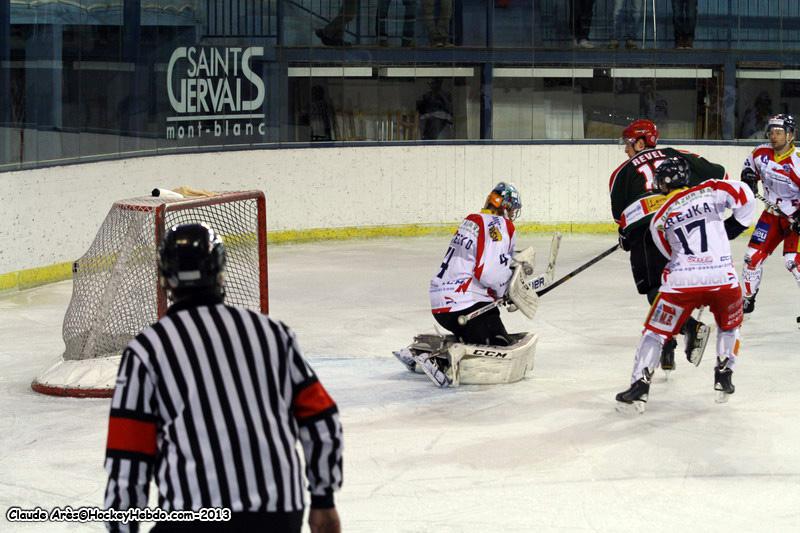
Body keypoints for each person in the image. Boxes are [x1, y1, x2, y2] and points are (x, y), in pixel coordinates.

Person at [103, 223, 343, 533]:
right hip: (279, 511)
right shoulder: (272, 334)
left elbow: (128, 456)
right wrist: (323, 499)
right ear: (220, 273)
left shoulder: (147, 351)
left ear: (165, 280)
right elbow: (321, 419)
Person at [616, 157, 756, 413]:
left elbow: (668, 251)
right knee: (729, 327)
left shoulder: (659, 218)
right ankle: (724, 375)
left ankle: (640, 386)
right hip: (723, 279)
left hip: (682, 282)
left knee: (654, 333)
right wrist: (733, 227)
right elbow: (745, 194)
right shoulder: (711, 189)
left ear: (662, 184)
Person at [609, 118, 728, 373]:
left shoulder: (622, 172)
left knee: (654, 288)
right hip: (679, 223)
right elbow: (720, 173)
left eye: (629, 143)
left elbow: (620, 215)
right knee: (671, 284)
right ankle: (667, 346)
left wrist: (625, 235)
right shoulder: (676, 155)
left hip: (645, 228)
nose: (626, 149)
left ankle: (689, 327)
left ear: (641, 143)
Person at [738, 114, 800, 314]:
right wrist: (748, 177)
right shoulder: (760, 153)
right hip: (771, 216)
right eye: (771, 132)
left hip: (795, 218)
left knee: (794, 262)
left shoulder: (797, 162)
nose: (774, 136)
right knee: (751, 258)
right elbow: (749, 168)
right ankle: (748, 299)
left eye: (779, 132)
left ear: (790, 135)